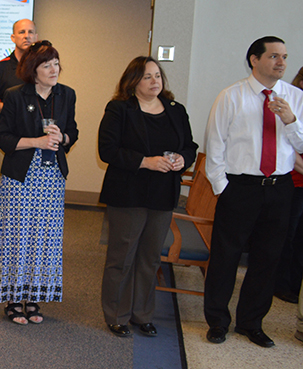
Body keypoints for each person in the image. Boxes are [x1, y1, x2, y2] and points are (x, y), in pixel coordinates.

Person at [204, 36, 303, 348]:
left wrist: (290, 121)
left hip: (280, 188)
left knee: (267, 258)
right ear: (254, 60)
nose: (282, 63)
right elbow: (215, 146)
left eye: (285, 57)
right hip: (240, 187)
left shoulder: (295, 97)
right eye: (274, 56)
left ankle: (251, 322)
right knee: (225, 256)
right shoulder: (231, 96)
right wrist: (223, 189)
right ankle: (218, 321)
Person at [98, 56, 197, 338]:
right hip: (129, 193)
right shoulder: (119, 109)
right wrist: (145, 161)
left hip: (163, 194)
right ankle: (117, 315)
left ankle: (143, 315)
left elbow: (189, 145)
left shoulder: (176, 110)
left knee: (150, 259)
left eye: (157, 76)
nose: (155, 82)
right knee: (123, 257)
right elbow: (108, 150)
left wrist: (182, 160)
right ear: (133, 82)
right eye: (147, 77)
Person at [0, 40, 78, 325]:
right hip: (20, 176)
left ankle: (35, 297)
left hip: (51, 177)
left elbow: (72, 132)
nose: (54, 70)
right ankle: (14, 300)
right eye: (46, 65)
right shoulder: (15, 95)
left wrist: (62, 137)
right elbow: (3, 138)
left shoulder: (67, 95)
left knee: (44, 239)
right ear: (32, 69)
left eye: (56, 64)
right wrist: (36, 142)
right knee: (17, 238)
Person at [0, 19, 37, 213]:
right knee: (2, 202)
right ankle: (0, 244)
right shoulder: (0, 69)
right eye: (21, 32)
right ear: (13, 37)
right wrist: (12, 106)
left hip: (37, 143)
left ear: (36, 37)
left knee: (31, 202)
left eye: (30, 32)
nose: (26, 36)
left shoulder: (43, 70)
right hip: (5, 143)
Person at [275, 66, 303, 305]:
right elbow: (291, 148)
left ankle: (295, 284)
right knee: (288, 236)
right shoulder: (292, 103)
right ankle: (281, 284)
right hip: (294, 182)